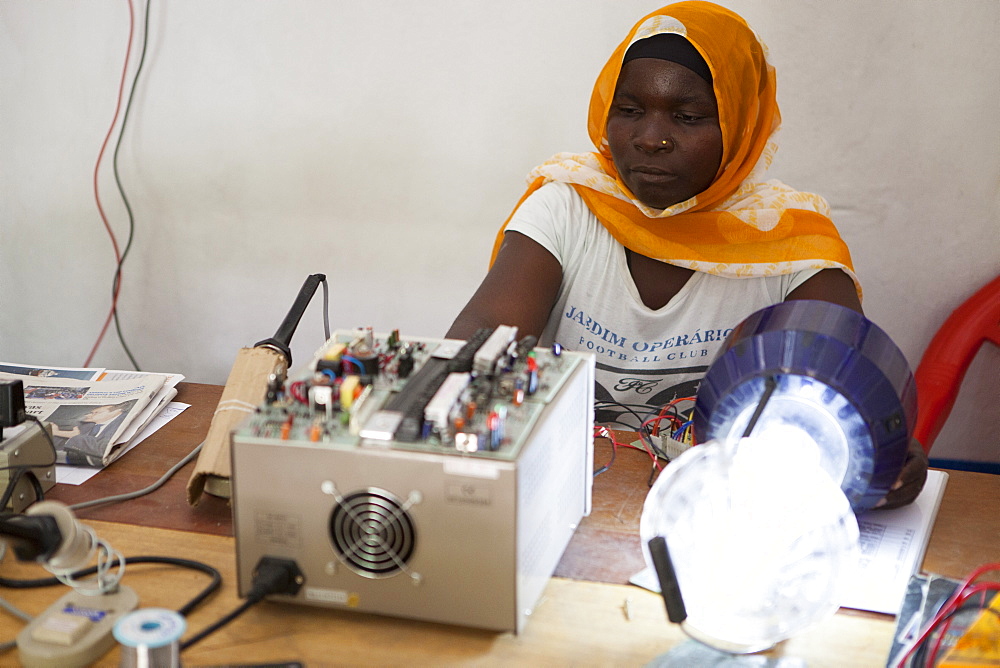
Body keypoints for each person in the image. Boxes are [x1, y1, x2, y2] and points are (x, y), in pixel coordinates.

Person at [446, 1, 926, 508]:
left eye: (689, 116)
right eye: (629, 111)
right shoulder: (569, 207)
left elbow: (853, 393)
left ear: (740, 126)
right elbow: (482, 341)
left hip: (716, 512)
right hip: (570, 494)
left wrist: (880, 456)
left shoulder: (788, 242)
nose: (651, 139)